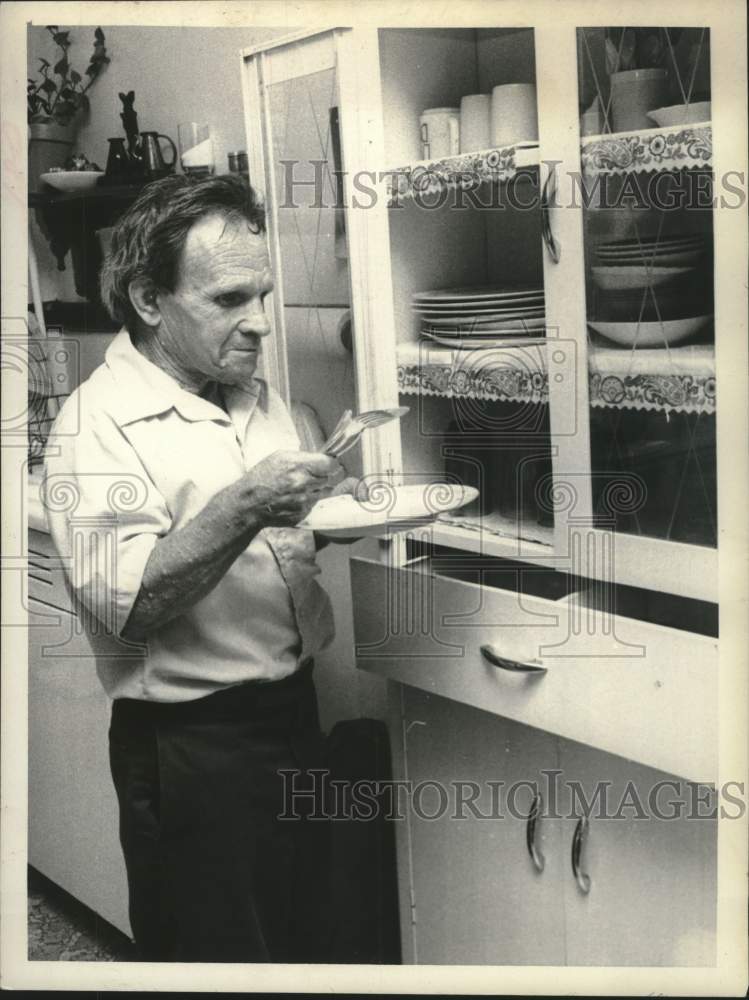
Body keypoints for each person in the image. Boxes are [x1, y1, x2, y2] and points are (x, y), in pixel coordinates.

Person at [44, 174, 357, 962]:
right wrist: (247, 503)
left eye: (262, 295)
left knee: (306, 945)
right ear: (150, 300)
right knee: (213, 962)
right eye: (228, 300)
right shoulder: (95, 426)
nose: (259, 322)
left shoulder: (251, 393)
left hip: (292, 714)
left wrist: (326, 512)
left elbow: (273, 545)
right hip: (191, 749)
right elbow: (131, 604)